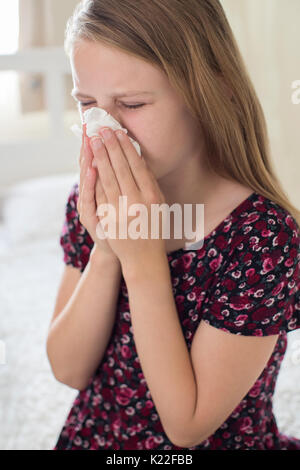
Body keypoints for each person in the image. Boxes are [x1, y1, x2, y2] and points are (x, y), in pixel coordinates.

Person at [47, 0, 300, 450]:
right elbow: (68, 369)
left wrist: (142, 262)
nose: (104, 129)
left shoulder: (263, 237)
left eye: (132, 103)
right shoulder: (93, 200)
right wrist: (108, 248)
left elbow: (187, 428)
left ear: (210, 94)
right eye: (87, 103)